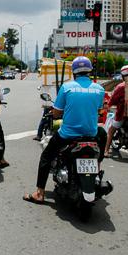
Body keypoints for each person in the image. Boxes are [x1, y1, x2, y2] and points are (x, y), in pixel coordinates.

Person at [23, 56, 106, 204]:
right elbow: (100, 111)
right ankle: (97, 166)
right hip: (91, 135)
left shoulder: (67, 87)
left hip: (68, 135)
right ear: (89, 71)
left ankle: (40, 193)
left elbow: (56, 113)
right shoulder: (99, 89)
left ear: (74, 72)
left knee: (46, 157)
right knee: (103, 136)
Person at [103, 65, 128, 158]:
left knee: (111, 130)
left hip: (123, 114)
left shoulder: (121, 86)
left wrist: (108, 105)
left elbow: (112, 100)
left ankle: (106, 150)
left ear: (122, 76)